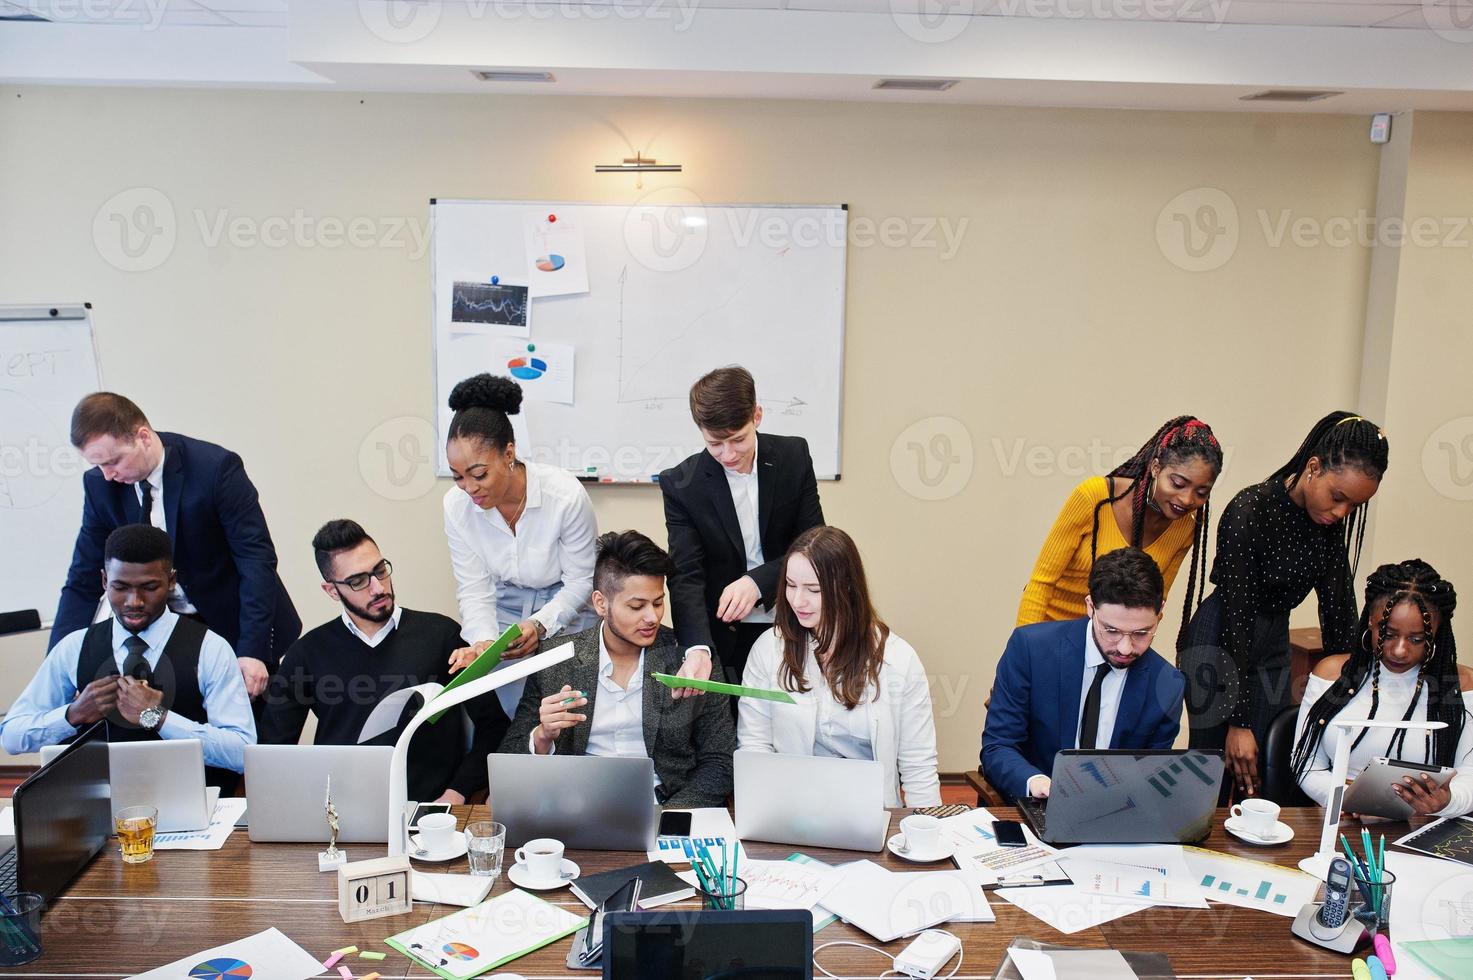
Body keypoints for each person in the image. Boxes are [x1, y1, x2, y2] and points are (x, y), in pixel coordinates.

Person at [1182, 411, 1388, 800]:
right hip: (1218, 641)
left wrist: (1353, 693)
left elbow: (1339, 615)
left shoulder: (1326, 527)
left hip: (1272, 642)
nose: (1341, 512)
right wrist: (1237, 721)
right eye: (1338, 497)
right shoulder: (1250, 509)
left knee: (1257, 773)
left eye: (1353, 506)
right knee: (1209, 772)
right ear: (1314, 467)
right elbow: (1238, 620)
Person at [51, 392, 300, 703]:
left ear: (142, 436)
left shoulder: (215, 469)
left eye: (113, 460)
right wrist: (58, 667)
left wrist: (252, 651)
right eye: (97, 465)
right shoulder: (100, 486)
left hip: (237, 626)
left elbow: (256, 560)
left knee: (248, 745)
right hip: (168, 640)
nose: (108, 474)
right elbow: (82, 580)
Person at [260, 520, 509, 805]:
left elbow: (494, 726)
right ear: (331, 590)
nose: (378, 588)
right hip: (340, 814)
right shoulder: (306, 653)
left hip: (431, 810)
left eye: (380, 570)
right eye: (358, 581)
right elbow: (272, 753)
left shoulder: (442, 635)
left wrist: (457, 792)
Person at [499, 530, 735, 808]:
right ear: (601, 603)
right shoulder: (556, 659)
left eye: (658, 603)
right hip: (576, 808)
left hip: (667, 806)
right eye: (636, 606)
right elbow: (509, 757)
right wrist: (542, 736)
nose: (652, 617)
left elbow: (720, 761)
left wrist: (671, 817)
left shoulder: (693, 660)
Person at [2, 525, 255, 783]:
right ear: (104, 581)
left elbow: (240, 752)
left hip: (197, 807)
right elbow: (11, 736)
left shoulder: (211, 648)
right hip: (96, 807)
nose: (134, 601)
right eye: (120, 587)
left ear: (171, 581)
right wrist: (73, 714)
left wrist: (157, 717)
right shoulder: (74, 647)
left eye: (149, 587)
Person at [739, 526, 941, 808]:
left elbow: (918, 769)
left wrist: (926, 837)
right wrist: (761, 816)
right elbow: (754, 747)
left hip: (871, 812)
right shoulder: (768, 650)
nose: (798, 601)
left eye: (814, 590)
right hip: (793, 809)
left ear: (847, 588)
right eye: (790, 585)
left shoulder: (898, 660)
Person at [441, 374, 601, 716]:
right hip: (506, 612)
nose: (469, 488)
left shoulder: (564, 494)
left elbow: (581, 582)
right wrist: (484, 643)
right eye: (458, 477)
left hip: (568, 609)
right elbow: (474, 588)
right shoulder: (456, 507)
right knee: (520, 718)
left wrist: (540, 625)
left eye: (479, 474)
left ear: (509, 454)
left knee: (568, 710)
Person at [661, 365, 825, 691]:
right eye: (715, 443)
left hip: (793, 621)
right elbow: (686, 575)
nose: (728, 454)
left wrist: (758, 581)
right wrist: (696, 648)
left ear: (757, 416)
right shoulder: (682, 484)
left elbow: (813, 544)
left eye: (738, 439)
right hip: (725, 637)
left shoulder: (793, 457)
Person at [982, 547, 1186, 802]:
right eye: (1112, 631)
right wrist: (1036, 782)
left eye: (1141, 633)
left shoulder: (1168, 685)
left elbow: (1151, 775)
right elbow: (998, 746)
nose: (1125, 647)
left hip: (1115, 816)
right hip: (1037, 806)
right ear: (1090, 606)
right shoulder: (1031, 649)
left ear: (1160, 612)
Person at [1018, 416, 1222, 649]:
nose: (1187, 499)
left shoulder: (1188, 525)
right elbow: (1040, 585)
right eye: (1177, 483)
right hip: (1050, 639)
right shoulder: (1095, 498)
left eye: (1202, 492)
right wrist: (1022, 656)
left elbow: (1155, 603)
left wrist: (1128, 650)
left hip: (1112, 650)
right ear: (1156, 467)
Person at [1292, 559, 1473, 817]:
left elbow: (1470, 774)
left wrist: (1447, 802)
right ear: (1370, 622)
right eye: (1387, 633)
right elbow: (1306, 764)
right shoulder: (1332, 674)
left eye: (1417, 639)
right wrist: (1344, 797)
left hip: (1423, 826)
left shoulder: (1463, 686)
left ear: (1437, 633)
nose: (1400, 650)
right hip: (1340, 820)